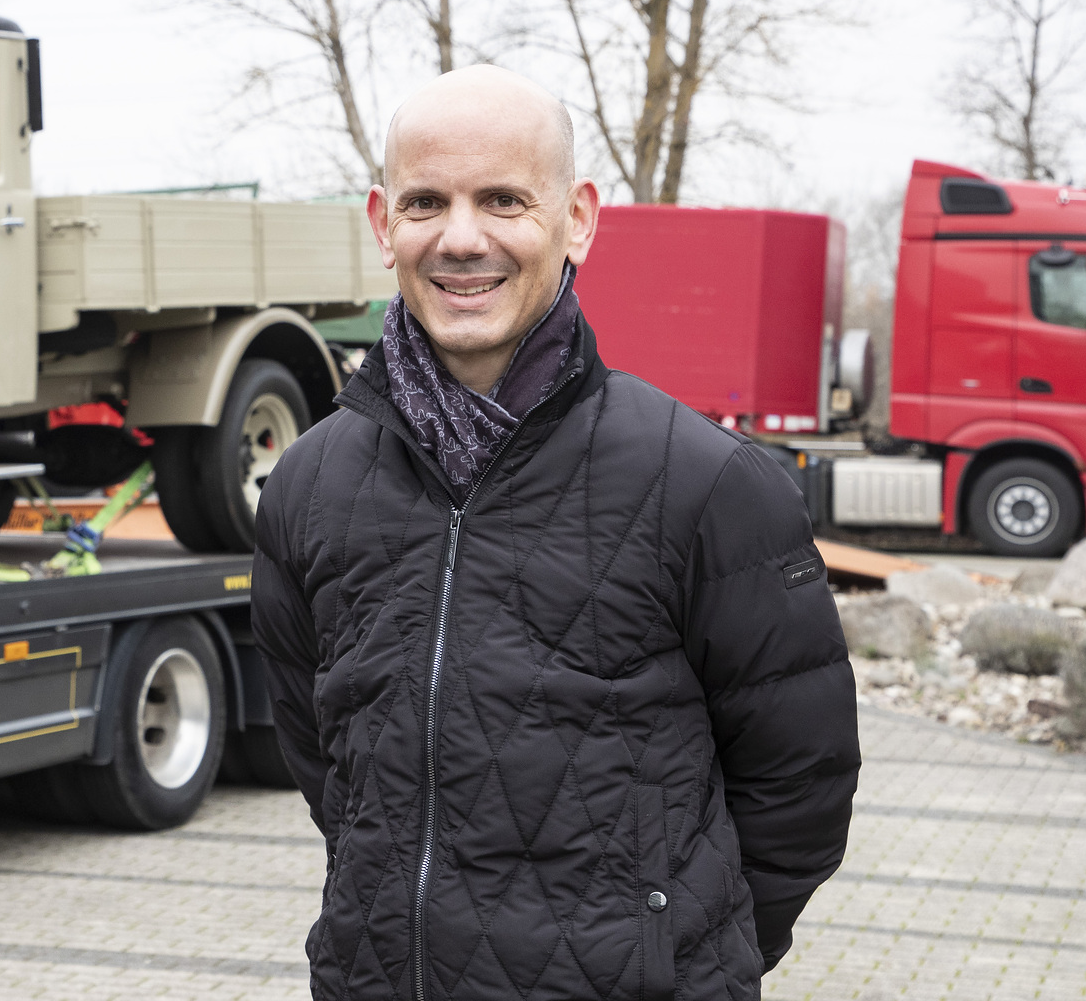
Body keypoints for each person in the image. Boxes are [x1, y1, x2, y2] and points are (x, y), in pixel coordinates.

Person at [252, 65, 859, 1001]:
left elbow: (800, 782)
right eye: (426, 202)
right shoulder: (309, 483)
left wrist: (678, 955)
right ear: (383, 223)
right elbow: (324, 755)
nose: (461, 239)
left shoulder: (706, 483)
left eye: (502, 199)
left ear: (577, 218)